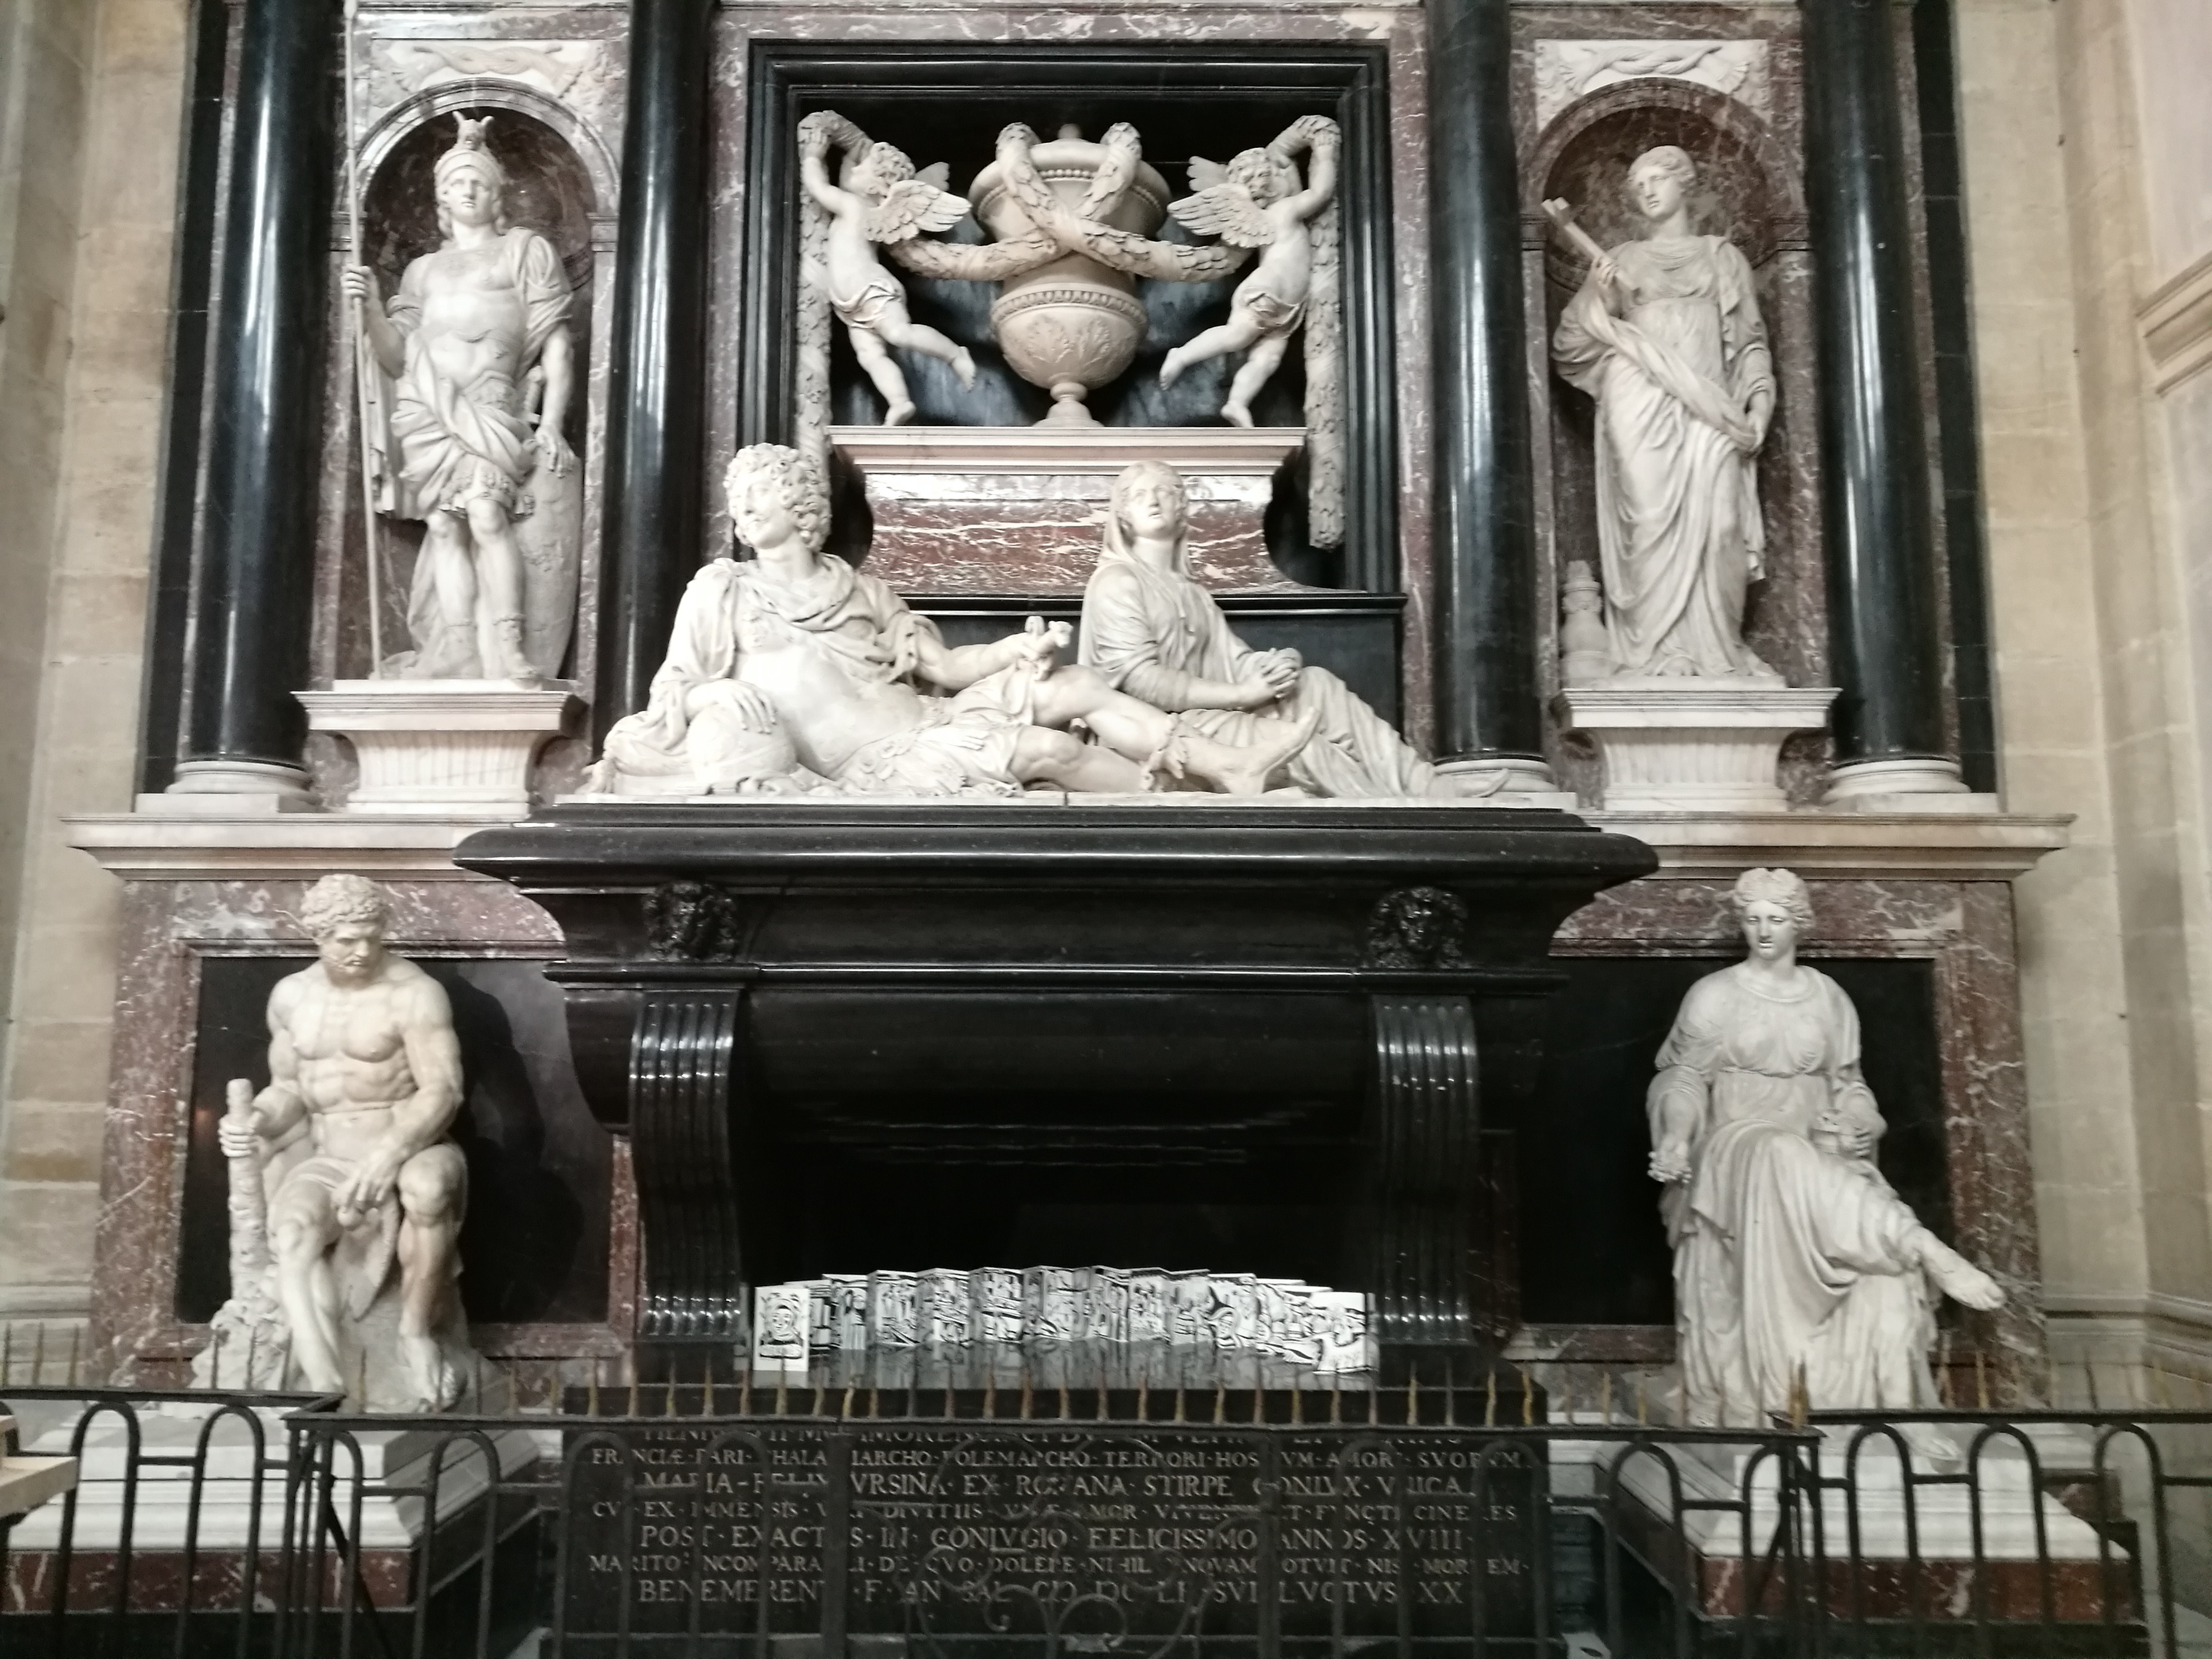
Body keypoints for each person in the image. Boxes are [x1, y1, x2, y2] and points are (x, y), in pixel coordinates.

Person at [588, 444, 1314, 798]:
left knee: (1072, 684)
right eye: (738, 495)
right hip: (877, 766)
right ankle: (1173, 804)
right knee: (1044, 748)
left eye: (760, 493)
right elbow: (671, 691)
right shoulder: (722, 590)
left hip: (932, 719)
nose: (742, 506)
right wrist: (713, 691)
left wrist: (1015, 650)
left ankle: (1228, 767)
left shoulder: (862, 591)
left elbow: (945, 669)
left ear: (803, 507)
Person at [1648, 867, 2002, 1425]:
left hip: (1821, 1154)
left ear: (1799, 924)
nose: (1764, 931)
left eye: (1776, 919)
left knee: (1877, 1273)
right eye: (1752, 920)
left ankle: (1874, 1410)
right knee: (1776, 1151)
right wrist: (1674, 1136)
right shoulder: (1714, 995)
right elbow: (1683, 1081)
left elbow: (1850, 1087)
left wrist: (1863, 1122)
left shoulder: (1827, 998)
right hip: (1733, 1151)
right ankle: (1922, 1245)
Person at [217, 875, 470, 1410]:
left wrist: (389, 1155)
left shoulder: (413, 994)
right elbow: (289, 1090)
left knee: (427, 1189)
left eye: (372, 938)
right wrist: (256, 1120)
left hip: (409, 1144)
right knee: (292, 1234)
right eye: (347, 940)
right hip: (331, 1156)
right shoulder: (292, 997)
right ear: (318, 936)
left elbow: (444, 1091)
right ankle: (326, 1386)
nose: (362, 951)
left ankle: (415, 1333)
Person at [344, 115, 576, 683]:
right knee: (445, 528)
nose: (467, 190)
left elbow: (557, 344)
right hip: (426, 409)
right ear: (442, 199)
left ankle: (511, 645)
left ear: (497, 196)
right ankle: (455, 645)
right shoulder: (421, 271)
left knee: (487, 515)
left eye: (478, 182)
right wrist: (370, 307)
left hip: (492, 403)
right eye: (455, 183)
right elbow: (396, 356)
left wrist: (552, 423)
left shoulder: (524, 250)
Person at [1551, 146, 1778, 681]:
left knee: (1723, 524)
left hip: (1711, 408)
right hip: (1639, 403)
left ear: (1686, 184)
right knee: (1649, 520)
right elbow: (1570, 343)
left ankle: (1719, 651)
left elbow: (1749, 342)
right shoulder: (1622, 260)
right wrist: (1600, 299)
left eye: (1657, 179)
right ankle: (1653, 654)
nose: (1647, 191)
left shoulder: (1722, 258)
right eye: (1638, 186)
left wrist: (1760, 402)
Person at [1079, 461, 1434, 798]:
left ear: (1182, 507)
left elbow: (1233, 662)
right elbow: (1141, 682)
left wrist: (1277, 667)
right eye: (1139, 495)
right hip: (1157, 728)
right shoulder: (1118, 582)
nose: (1153, 501)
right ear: (1123, 515)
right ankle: (1391, 811)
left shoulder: (1193, 594)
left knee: (1316, 684)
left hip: (1203, 713)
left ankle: (1425, 786)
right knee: (1301, 746)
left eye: (1163, 492)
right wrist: (1243, 695)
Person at [1158, 117, 1338, 427]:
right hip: (1267, 290)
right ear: (1268, 183)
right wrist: (1325, 154)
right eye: (1278, 173)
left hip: (1289, 308)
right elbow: (1321, 192)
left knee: (1267, 360)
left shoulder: (1278, 212)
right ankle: (1181, 355)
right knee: (1237, 335)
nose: (1285, 176)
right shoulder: (1283, 211)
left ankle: (1237, 403)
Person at [801, 124, 977, 425]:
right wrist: (852, 150)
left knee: (899, 334)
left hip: (872, 289)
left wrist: (813, 157)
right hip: (849, 304)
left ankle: (955, 354)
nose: (853, 170)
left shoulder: (852, 205)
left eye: (861, 169)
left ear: (874, 187)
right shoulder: (859, 204)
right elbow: (848, 177)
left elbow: (819, 188)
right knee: (870, 356)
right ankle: (899, 401)